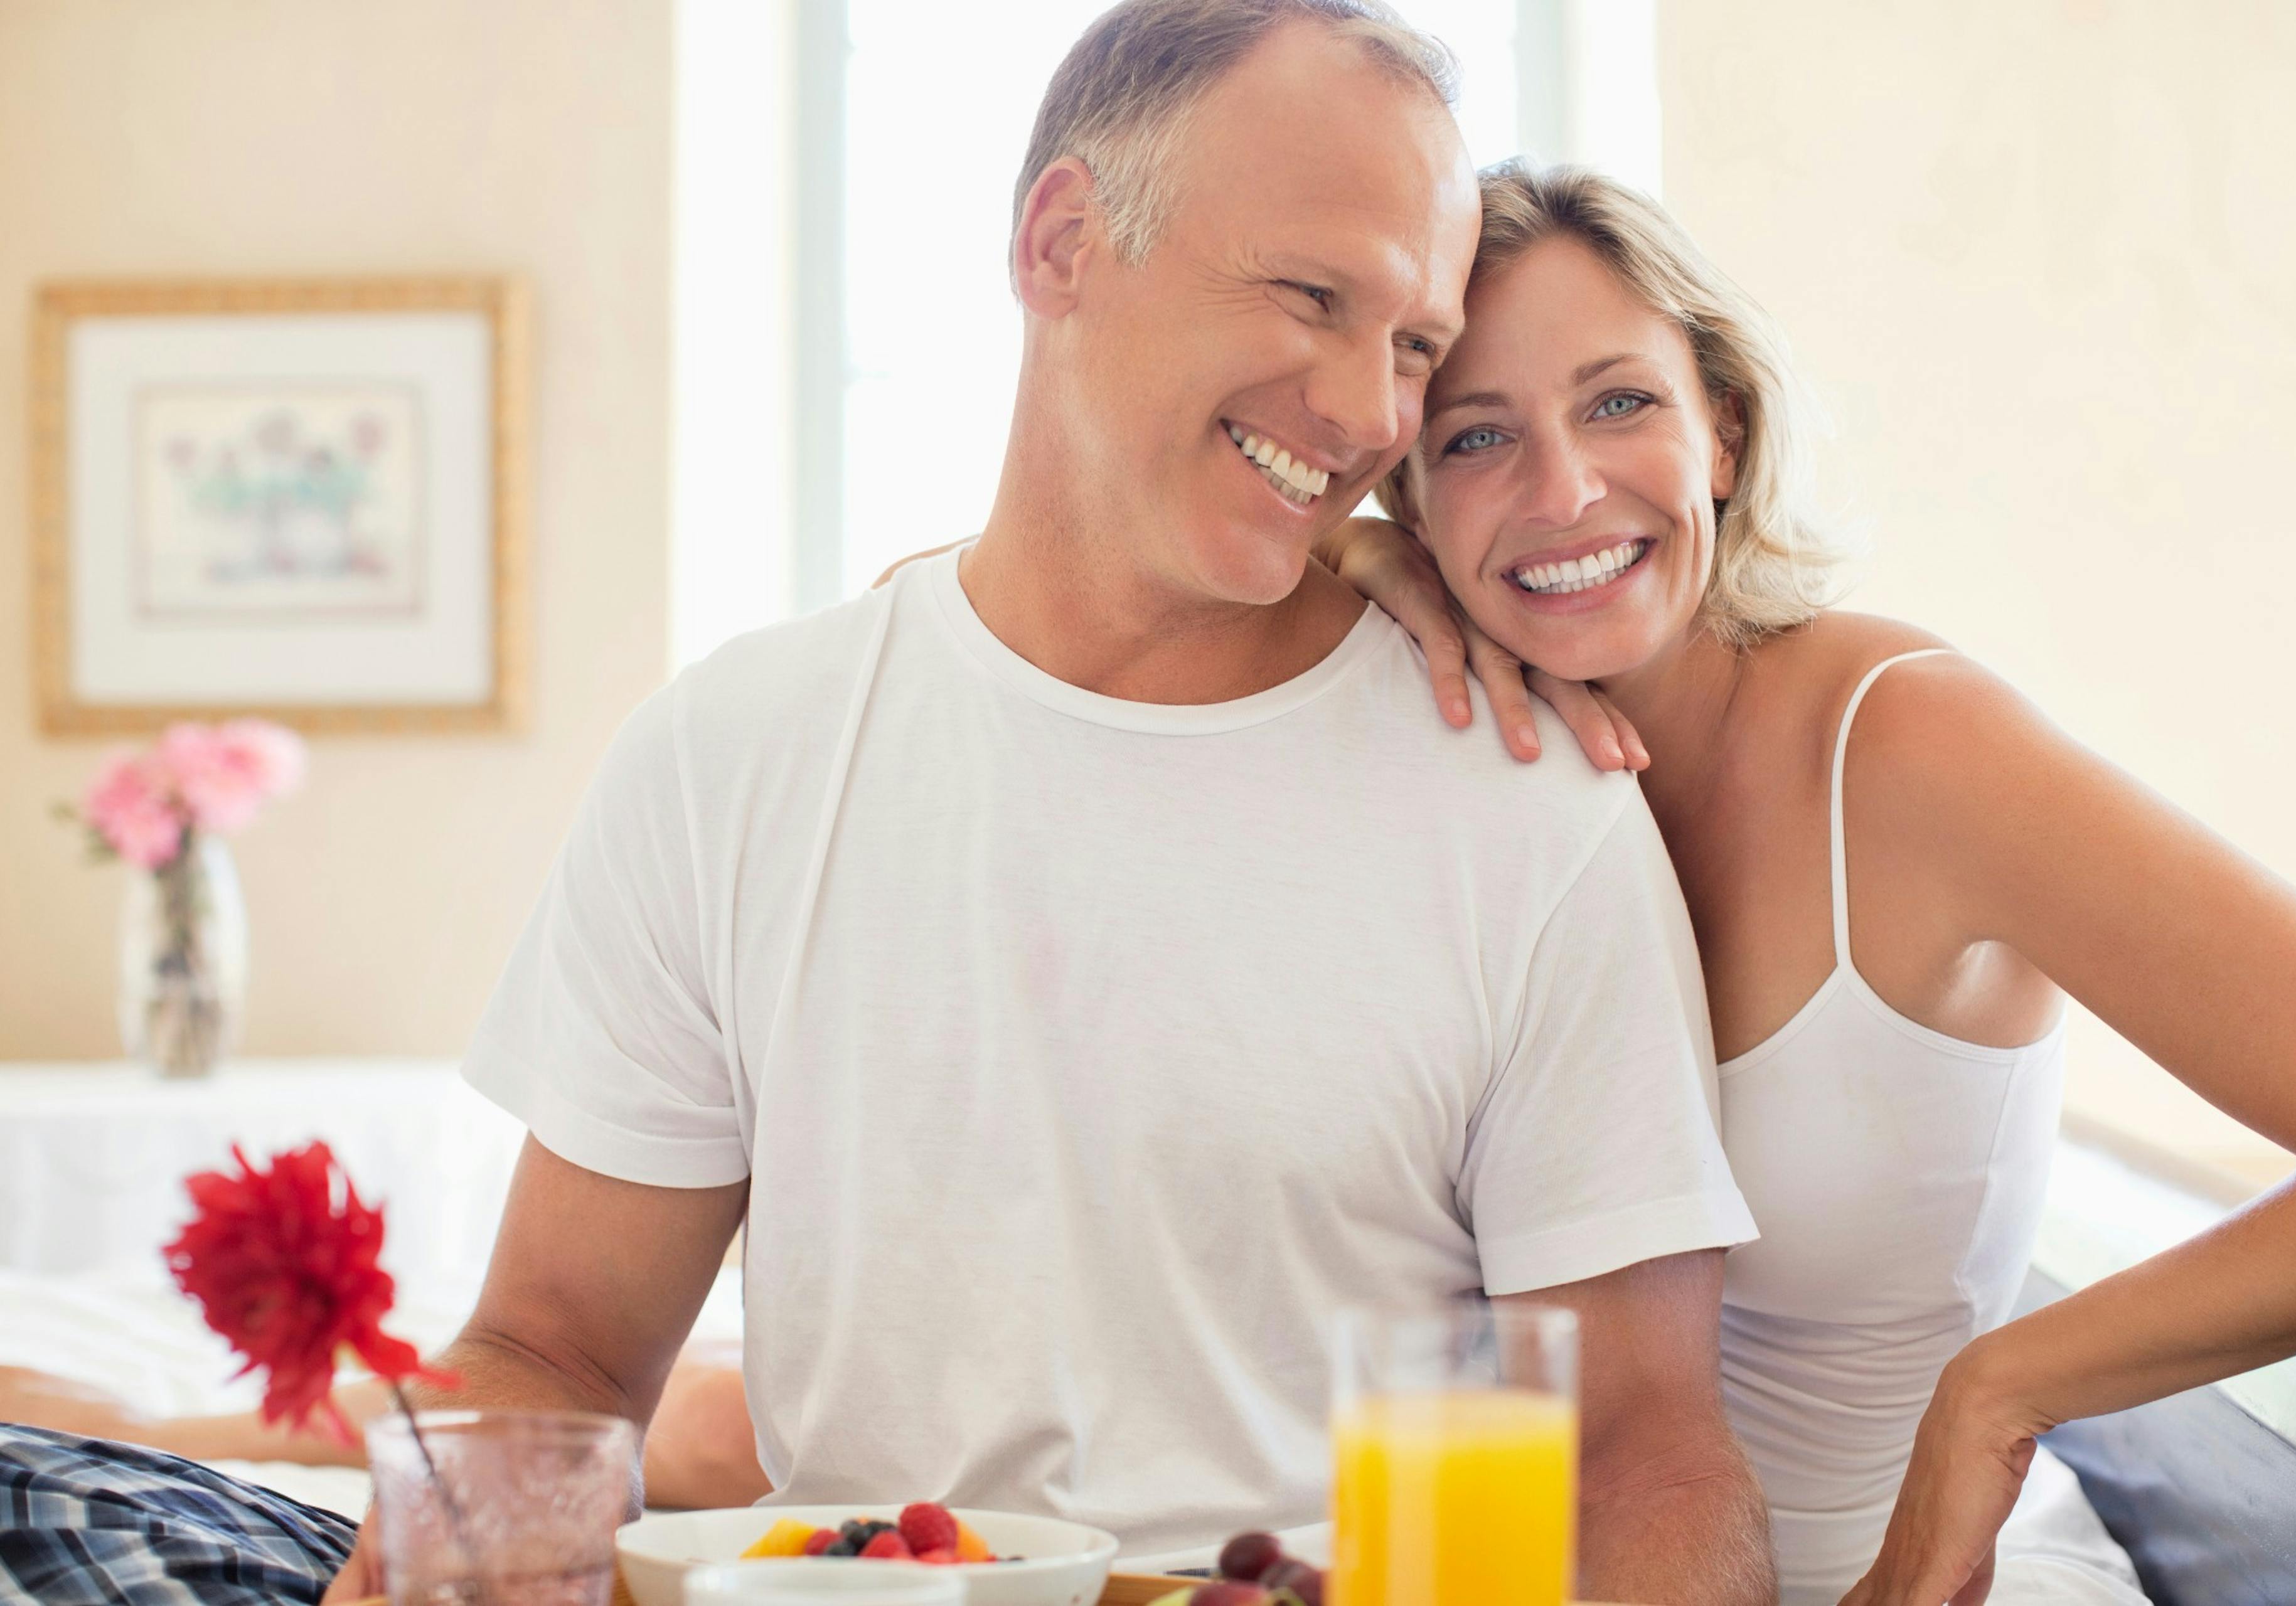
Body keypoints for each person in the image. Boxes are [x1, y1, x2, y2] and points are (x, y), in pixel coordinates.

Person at [1, 8, 1779, 1605]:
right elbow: (558, 1346)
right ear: (1061, 241)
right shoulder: (737, 755)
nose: (1363, 410)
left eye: (1412, 344)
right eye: (1315, 300)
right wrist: (456, 1523)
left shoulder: (1531, 805)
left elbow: (1642, 1451)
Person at [1310, 159, 2296, 1605]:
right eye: (1474, 438)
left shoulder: (1905, 745)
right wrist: (1337, 550)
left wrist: (2000, 1389)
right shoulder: (1446, 749)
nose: (1563, 487)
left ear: (1725, 428)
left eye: (1619, 401)